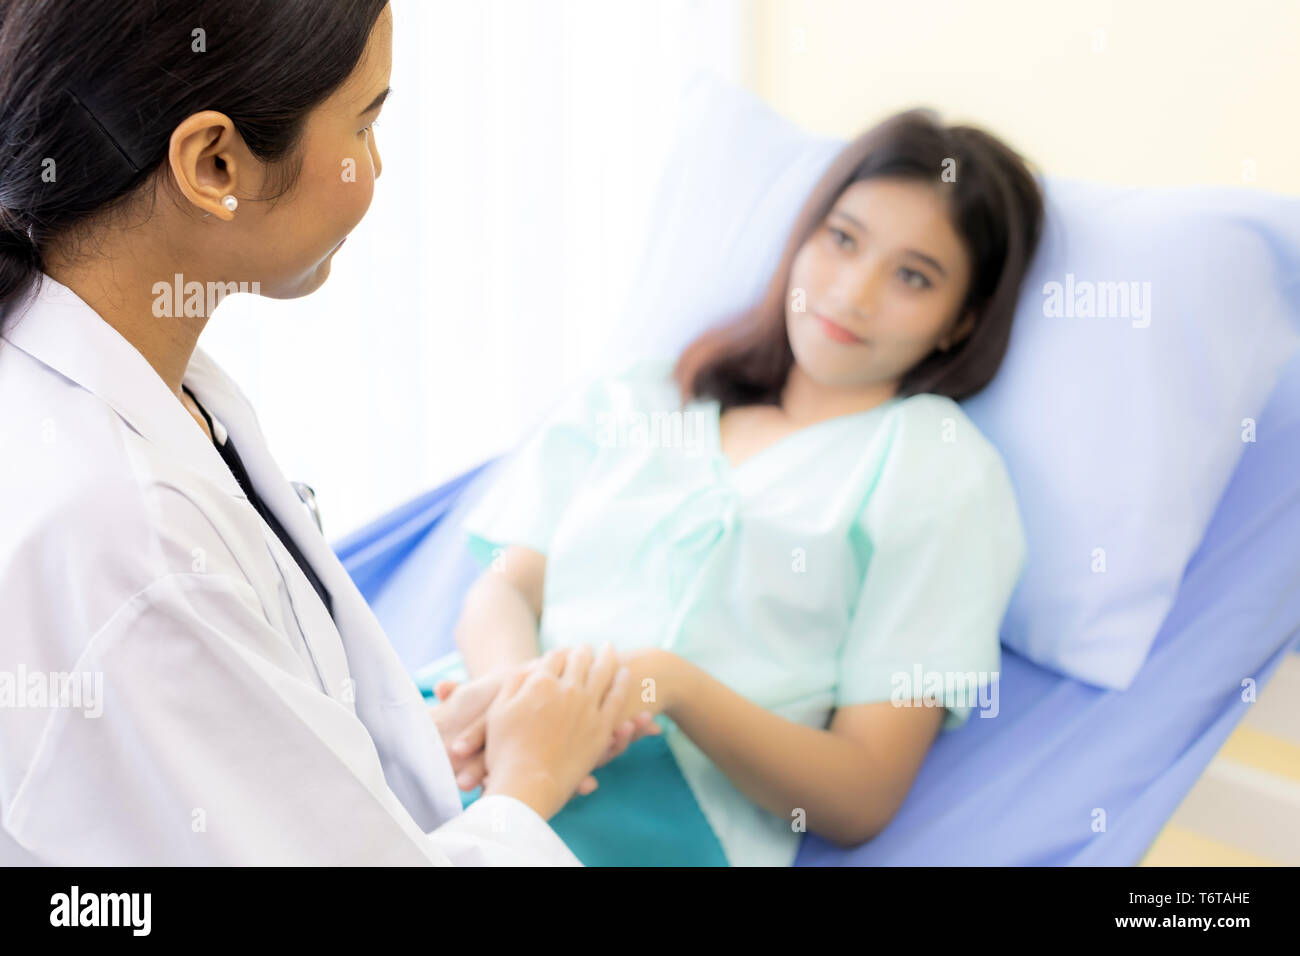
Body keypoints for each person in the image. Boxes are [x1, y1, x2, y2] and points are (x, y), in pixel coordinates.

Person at [0, 0, 643, 865]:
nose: (377, 164)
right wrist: (531, 782)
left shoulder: (139, 378)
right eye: (365, 124)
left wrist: (363, 739)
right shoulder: (123, 527)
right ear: (214, 161)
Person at [425, 110, 1044, 865]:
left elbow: (863, 794)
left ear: (960, 322)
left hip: (657, 816)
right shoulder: (641, 396)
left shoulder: (935, 463)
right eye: (842, 239)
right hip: (470, 726)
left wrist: (665, 684)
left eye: (913, 276)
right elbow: (502, 590)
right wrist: (523, 711)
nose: (852, 292)